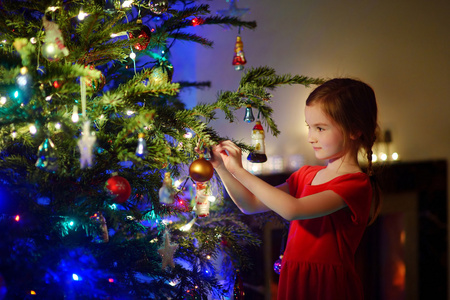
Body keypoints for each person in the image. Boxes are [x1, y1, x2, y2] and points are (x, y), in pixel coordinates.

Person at [210, 78, 382, 300]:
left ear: (355, 130)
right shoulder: (305, 176)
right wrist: (223, 169)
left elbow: (293, 209)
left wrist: (240, 171)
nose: (311, 137)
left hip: (328, 286)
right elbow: (249, 204)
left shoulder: (355, 184)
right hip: (294, 278)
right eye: (309, 127)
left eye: (320, 128)